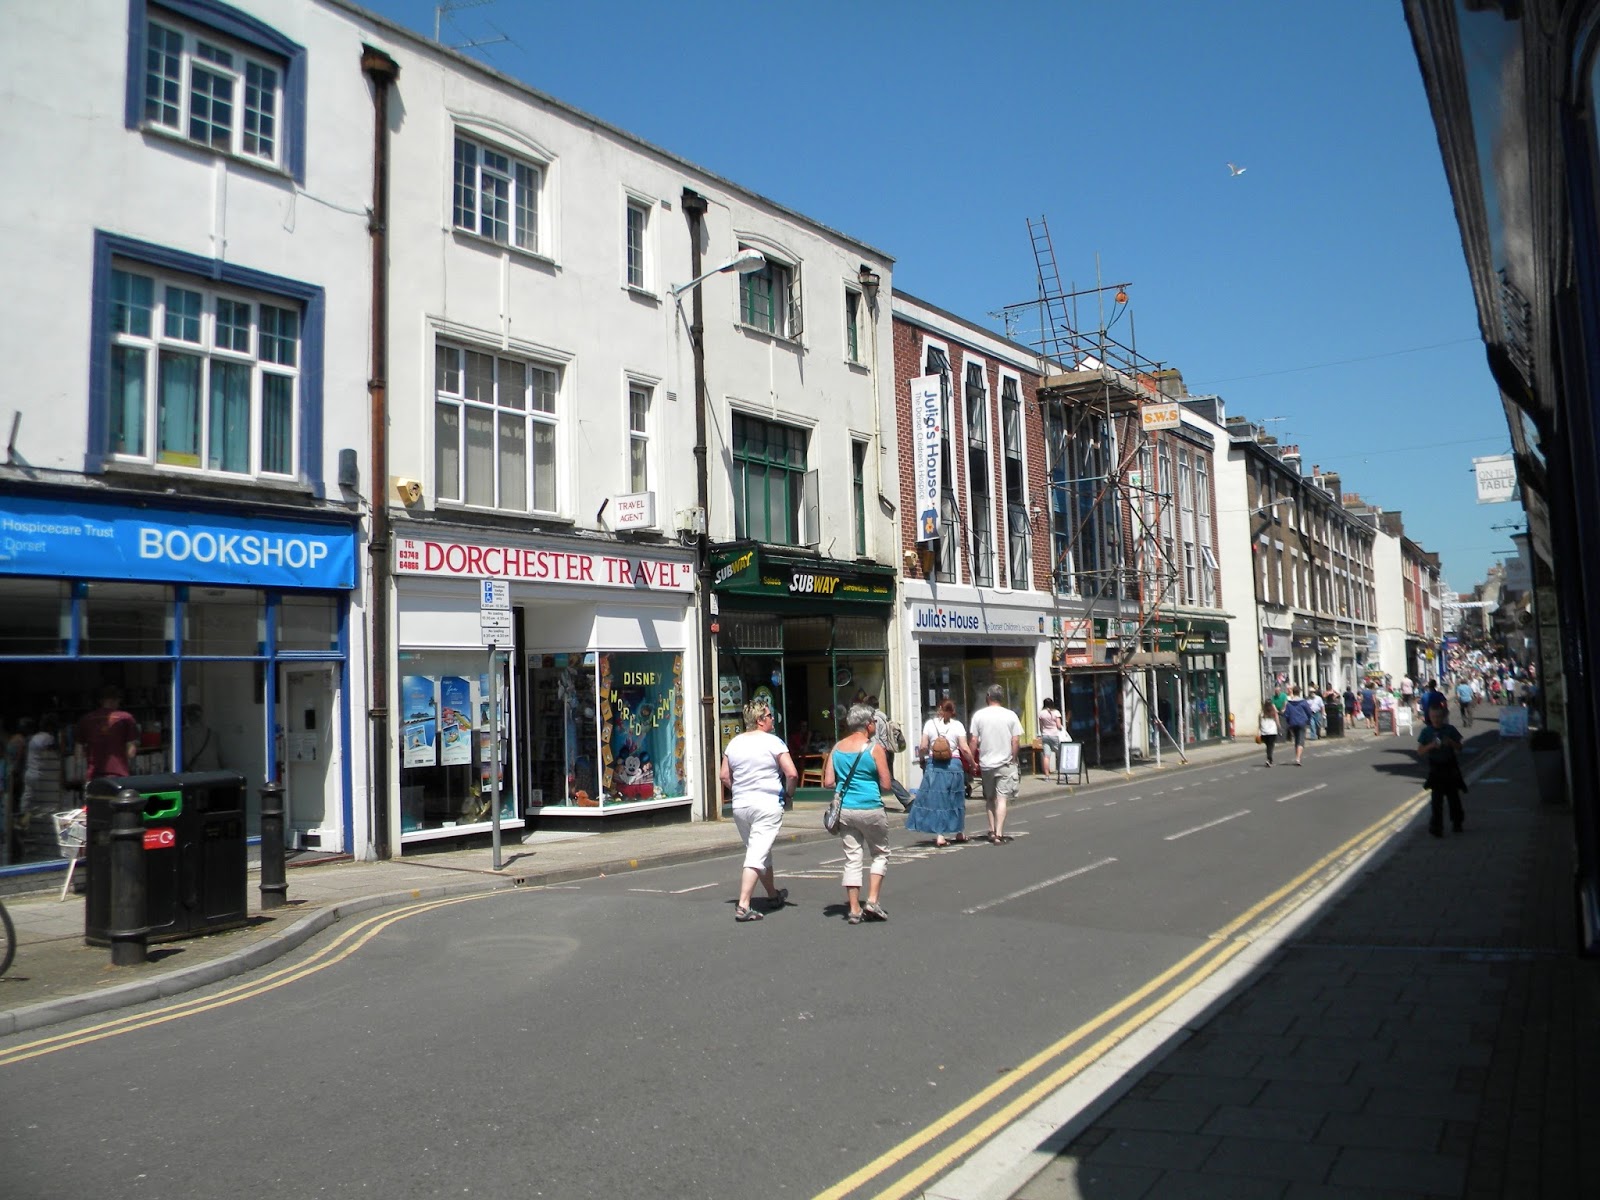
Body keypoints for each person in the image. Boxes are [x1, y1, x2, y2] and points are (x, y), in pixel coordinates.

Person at [718, 700, 797, 922]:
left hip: (741, 805)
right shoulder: (774, 742)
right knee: (756, 854)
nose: (773, 719)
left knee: (760, 850)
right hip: (766, 803)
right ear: (760, 720)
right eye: (770, 716)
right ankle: (744, 905)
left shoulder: (733, 743)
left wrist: (740, 789)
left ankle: (772, 894)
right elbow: (791, 773)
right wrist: (789, 794)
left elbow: (724, 775)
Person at [823, 703, 892, 924]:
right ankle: (871, 900)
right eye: (873, 721)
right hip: (870, 807)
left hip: (846, 810)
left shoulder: (837, 748)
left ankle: (853, 909)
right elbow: (887, 784)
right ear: (867, 724)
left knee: (852, 858)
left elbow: (828, 782)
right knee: (880, 853)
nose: (874, 725)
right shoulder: (874, 749)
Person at [909, 699, 970, 847]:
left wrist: (922, 759)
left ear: (939, 708)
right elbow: (964, 748)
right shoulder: (958, 725)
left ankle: (940, 835)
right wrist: (973, 763)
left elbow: (923, 746)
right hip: (954, 765)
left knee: (938, 800)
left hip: (934, 764)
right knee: (956, 798)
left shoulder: (930, 724)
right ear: (953, 710)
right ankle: (959, 832)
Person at [968, 684, 1023, 843]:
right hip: (1005, 763)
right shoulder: (1011, 715)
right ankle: (999, 833)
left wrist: (972, 761)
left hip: (986, 764)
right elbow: (1016, 740)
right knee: (1002, 799)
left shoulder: (979, 716)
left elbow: (973, 740)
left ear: (988, 697)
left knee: (990, 799)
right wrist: (1013, 757)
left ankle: (991, 830)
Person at [1415, 699, 1466, 837]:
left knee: (1453, 798)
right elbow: (1420, 751)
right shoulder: (1426, 732)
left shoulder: (1450, 730)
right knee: (1436, 800)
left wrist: (1450, 742)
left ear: (1443, 717)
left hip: (1450, 767)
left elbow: (1460, 748)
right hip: (1436, 769)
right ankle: (1437, 827)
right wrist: (1430, 746)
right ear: (1429, 717)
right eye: (1433, 717)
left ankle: (1457, 822)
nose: (1436, 720)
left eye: (1438, 717)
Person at [20, 714, 63, 861]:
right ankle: (30, 820)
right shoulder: (46, 738)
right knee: (40, 802)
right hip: (42, 775)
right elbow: (53, 750)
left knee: (29, 797)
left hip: (30, 772)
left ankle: (24, 817)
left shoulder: (33, 738)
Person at [77, 686, 140, 781]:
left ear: (100, 701)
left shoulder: (86, 719)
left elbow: (78, 753)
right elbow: (131, 753)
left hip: (93, 776)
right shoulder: (126, 718)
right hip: (119, 775)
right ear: (115, 700)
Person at [864, 694, 912, 812]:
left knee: (888, 778)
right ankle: (875, 801)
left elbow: (876, 738)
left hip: (881, 751)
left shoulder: (875, 718)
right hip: (888, 751)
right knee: (878, 777)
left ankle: (907, 800)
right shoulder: (884, 716)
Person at [181, 704, 223, 771]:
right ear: (201, 717)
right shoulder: (213, 733)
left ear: (189, 717)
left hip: (199, 773)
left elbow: (187, 759)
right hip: (215, 771)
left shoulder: (187, 735)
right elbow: (220, 756)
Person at [1037, 696, 1069, 777]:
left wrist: (1042, 733)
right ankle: (1064, 773)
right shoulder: (1056, 713)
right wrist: (1062, 728)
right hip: (1055, 735)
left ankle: (1047, 775)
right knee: (1061, 755)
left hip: (1045, 735)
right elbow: (1058, 725)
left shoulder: (1041, 713)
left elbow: (1041, 727)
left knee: (1046, 756)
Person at [1282, 684, 1312, 765]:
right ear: (1299, 692)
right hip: (1302, 722)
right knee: (1301, 741)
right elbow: (1309, 712)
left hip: (1293, 723)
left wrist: (1288, 722)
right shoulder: (1303, 702)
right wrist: (1308, 719)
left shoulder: (1289, 703)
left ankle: (1297, 756)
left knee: (1296, 740)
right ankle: (1298, 758)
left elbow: (1286, 714)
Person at [1258, 699, 1280, 767]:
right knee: (1271, 746)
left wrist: (1259, 731)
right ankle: (1269, 759)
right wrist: (1279, 728)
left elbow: (1259, 723)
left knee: (1268, 746)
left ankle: (1269, 759)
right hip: (1272, 732)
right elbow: (1277, 721)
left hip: (1264, 732)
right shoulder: (1273, 712)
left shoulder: (1261, 713)